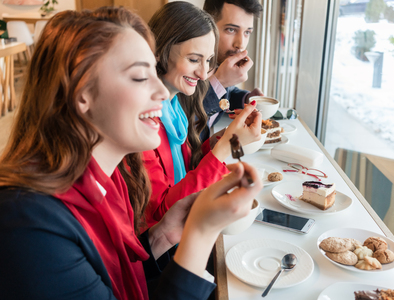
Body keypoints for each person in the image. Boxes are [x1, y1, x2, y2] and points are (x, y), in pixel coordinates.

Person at [0, 7, 262, 300]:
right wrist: (199, 234)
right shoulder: (29, 226)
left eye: (154, 71)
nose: (162, 93)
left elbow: (116, 277)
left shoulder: (112, 184)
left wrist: (164, 234)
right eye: (140, 76)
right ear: (82, 93)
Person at [143, 1, 262, 229]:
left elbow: (190, 163)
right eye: (194, 60)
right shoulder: (146, 123)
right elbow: (163, 214)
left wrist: (226, 136)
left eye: (208, 61)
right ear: (160, 51)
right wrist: (226, 146)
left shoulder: (174, 106)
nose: (203, 73)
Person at [201, 0, 264, 139]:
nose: (240, 44)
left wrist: (246, 98)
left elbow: (226, 93)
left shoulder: (218, 63)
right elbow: (185, 123)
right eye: (231, 29)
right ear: (208, 25)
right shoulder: (190, 66)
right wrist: (220, 82)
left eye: (247, 32)